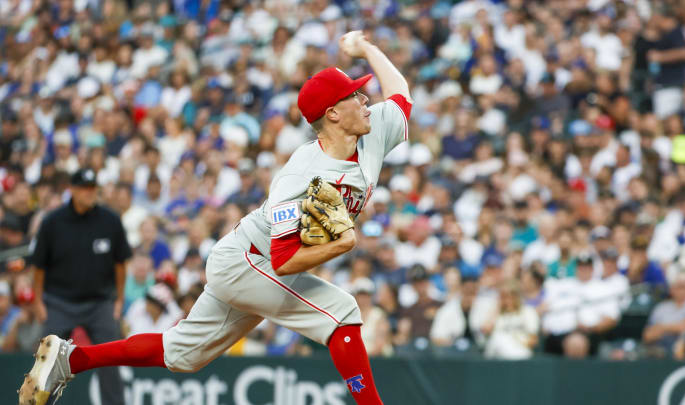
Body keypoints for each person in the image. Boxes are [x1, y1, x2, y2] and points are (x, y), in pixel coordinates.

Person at [19, 31, 412, 405]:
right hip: (250, 260)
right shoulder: (298, 178)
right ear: (333, 114)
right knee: (342, 312)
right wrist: (342, 245)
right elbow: (284, 259)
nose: (364, 98)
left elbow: (402, 97)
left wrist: (367, 48)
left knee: (183, 355)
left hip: (256, 265)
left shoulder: (371, 130)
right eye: (353, 95)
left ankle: (71, 360)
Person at [26, 168, 131, 405]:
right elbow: (39, 266)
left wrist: (119, 300)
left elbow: (120, 263)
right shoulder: (52, 222)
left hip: (100, 302)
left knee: (111, 360)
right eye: (84, 188)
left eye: (93, 188)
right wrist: (38, 302)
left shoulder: (110, 220)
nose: (89, 193)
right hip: (59, 301)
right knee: (47, 362)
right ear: (72, 190)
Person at [643, 272, 685, 358]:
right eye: (679, 287)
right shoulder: (660, 308)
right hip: (660, 350)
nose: (682, 291)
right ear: (671, 289)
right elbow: (647, 336)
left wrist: (662, 328)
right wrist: (673, 328)